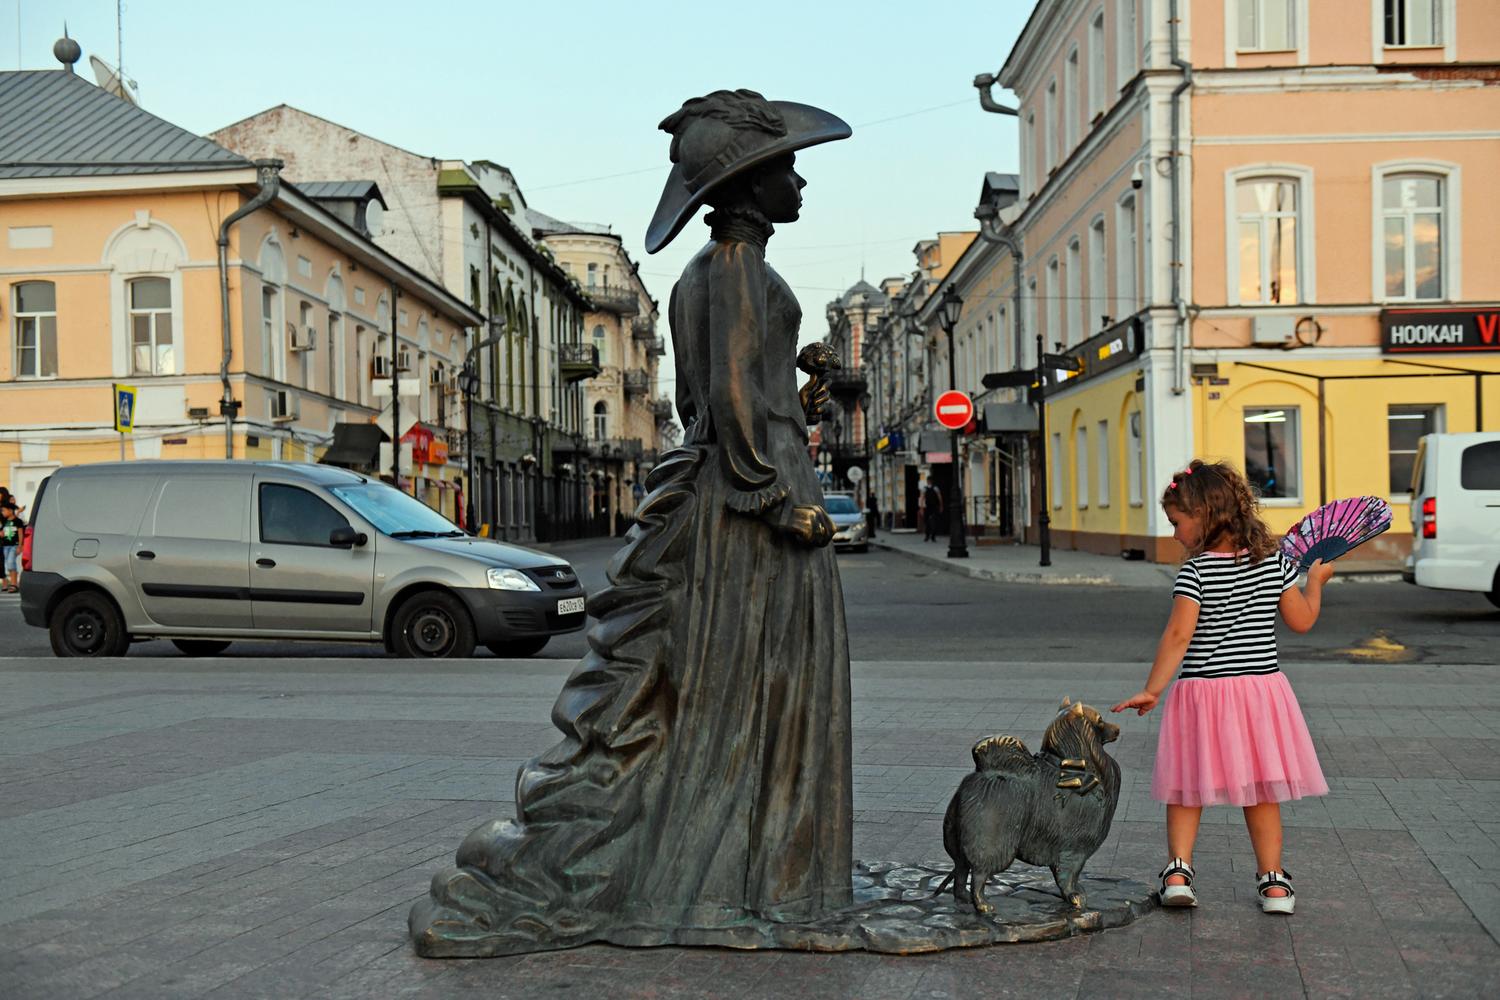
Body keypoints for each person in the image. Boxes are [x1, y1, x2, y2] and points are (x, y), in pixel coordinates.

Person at [412, 89, 855, 957]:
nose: (799, 182)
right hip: (750, 511)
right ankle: (744, 875)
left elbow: (744, 396)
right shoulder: (733, 272)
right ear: (747, 183)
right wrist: (776, 497)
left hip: (743, 490)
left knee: (749, 689)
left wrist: (801, 402)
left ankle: (763, 871)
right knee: (752, 689)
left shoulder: (716, 275)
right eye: (786, 168)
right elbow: (726, 400)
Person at [1112, 459, 1330, 916]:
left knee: (1186, 786)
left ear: (1206, 517)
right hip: (1260, 693)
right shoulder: (1277, 564)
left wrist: (1153, 689)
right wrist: (1317, 582)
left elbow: (1178, 636)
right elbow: (1303, 621)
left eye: (1176, 523)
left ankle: (1177, 873)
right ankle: (1273, 884)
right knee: (1262, 790)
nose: (1174, 535)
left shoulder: (1196, 573)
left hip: (1203, 694)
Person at [0, 501, 22, 592]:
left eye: (4, 511)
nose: (2, 513)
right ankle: (13, 583)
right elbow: (2, 533)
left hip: (14, 545)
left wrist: (20, 546)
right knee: (8, 565)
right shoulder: (4, 521)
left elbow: (21, 534)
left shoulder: (17, 521)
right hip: (5, 546)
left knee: (10, 563)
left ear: (10, 510)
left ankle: (14, 584)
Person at [922, 475, 944, 542]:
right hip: (933, 507)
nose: (929, 482)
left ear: (928, 481)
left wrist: (921, 508)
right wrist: (941, 506)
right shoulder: (935, 488)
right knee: (932, 522)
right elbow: (939, 497)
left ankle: (928, 536)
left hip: (929, 507)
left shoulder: (925, 488)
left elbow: (922, 498)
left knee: (928, 522)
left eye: (928, 481)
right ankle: (932, 536)